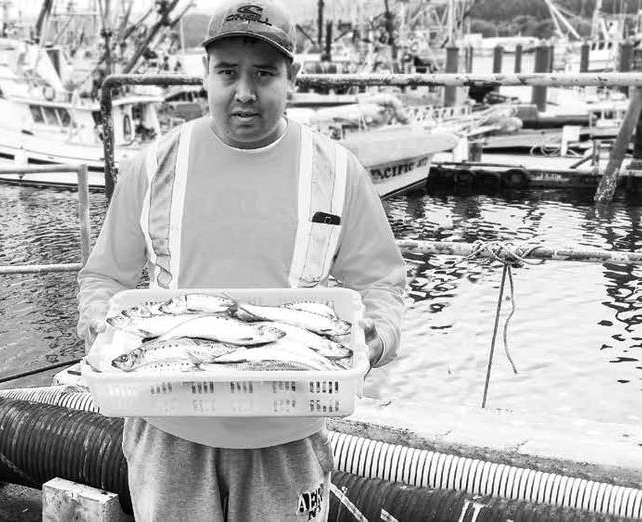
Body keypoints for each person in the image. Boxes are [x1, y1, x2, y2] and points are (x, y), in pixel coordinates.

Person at [76, 0, 406, 519]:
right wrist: (96, 316)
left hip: (290, 432)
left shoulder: (339, 172)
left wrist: (378, 334)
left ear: (291, 79)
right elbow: (106, 275)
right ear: (205, 75)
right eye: (228, 72)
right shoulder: (153, 166)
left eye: (264, 74)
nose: (245, 92)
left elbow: (381, 282)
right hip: (168, 426)